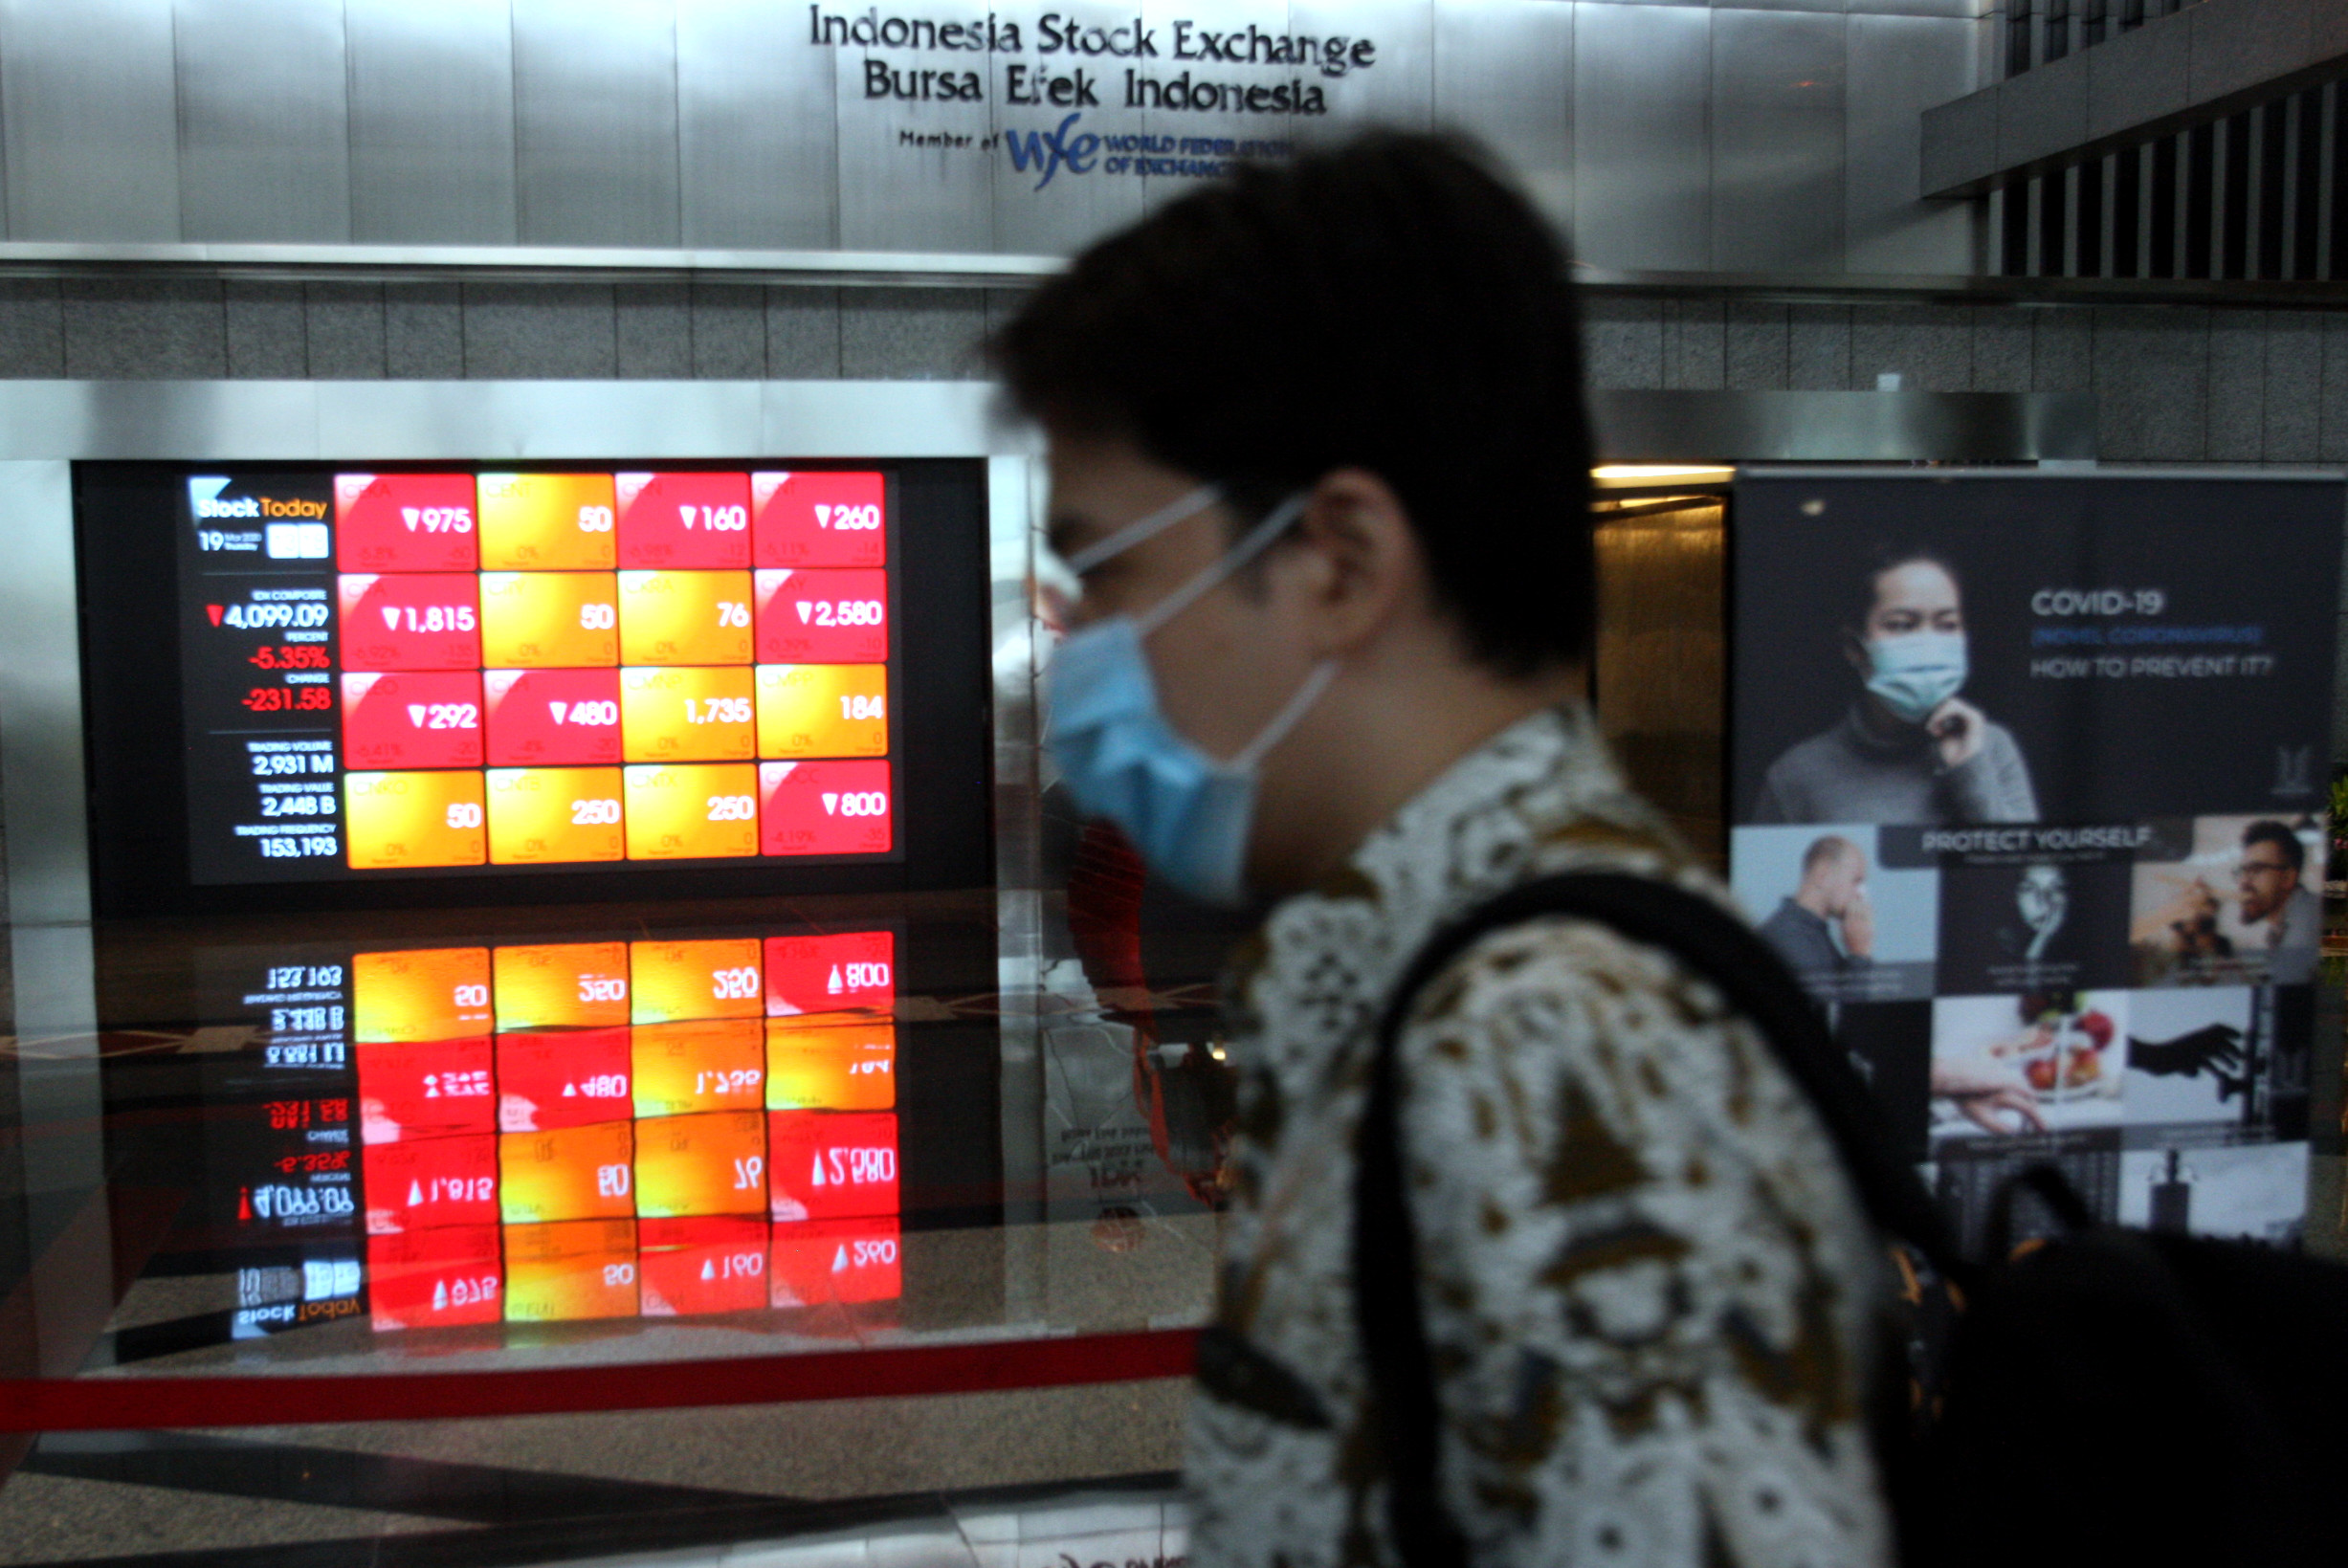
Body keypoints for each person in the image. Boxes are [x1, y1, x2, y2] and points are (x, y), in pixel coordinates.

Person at [994, 132, 1891, 1568]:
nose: (1080, 647)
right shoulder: (1409, 980)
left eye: (1107, 571)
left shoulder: (1556, 1053)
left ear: (1338, 559)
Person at [1751, 547, 2036, 826]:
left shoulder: (1992, 746)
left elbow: (2036, 871)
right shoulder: (1796, 775)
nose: (1928, 644)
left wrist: (1969, 771)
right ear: (1855, 647)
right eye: (1901, 625)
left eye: (1947, 625)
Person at [1758, 833, 1875, 980]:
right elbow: (1833, 1002)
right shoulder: (1791, 938)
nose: (1860, 895)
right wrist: (1859, 954)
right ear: (1822, 875)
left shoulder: (1811, 932)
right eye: (1855, 881)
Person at [2235, 819, 2320, 985]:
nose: (2243, 882)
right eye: (2243, 871)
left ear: (2288, 878)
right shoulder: (2287, 921)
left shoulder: (2307, 920)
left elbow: (2287, 988)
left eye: (2256, 870)